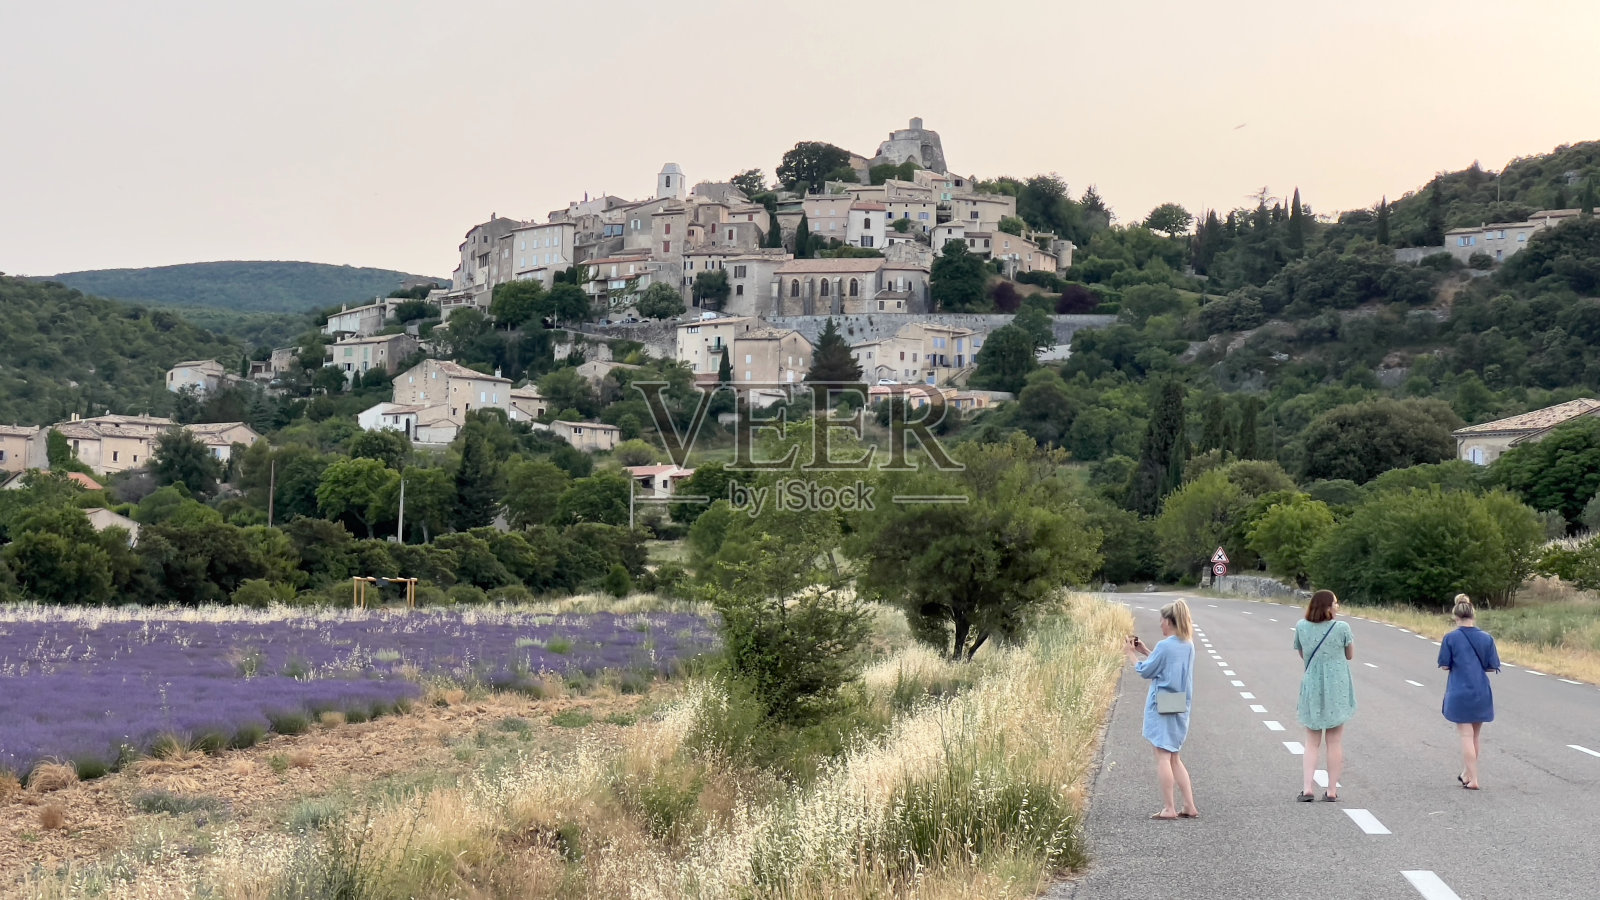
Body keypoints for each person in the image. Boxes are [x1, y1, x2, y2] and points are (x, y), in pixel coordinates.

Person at [1125, 599, 1199, 820]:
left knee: (1163, 756)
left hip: (1162, 702)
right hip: (1179, 702)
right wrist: (1146, 650)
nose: (1160, 624)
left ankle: (1169, 807)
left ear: (1168, 621)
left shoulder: (1165, 645)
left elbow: (1146, 671)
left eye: (1162, 620)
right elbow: (1165, 665)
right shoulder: (1187, 643)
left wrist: (1130, 653)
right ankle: (1189, 805)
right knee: (1174, 756)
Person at [1294, 589, 1355, 802]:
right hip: (1336, 686)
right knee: (1334, 741)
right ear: (1327, 607)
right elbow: (1350, 655)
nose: (1337, 606)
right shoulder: (1342, 628)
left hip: (1312, 684)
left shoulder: (1301, 626)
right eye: (1335, 603)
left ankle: (1307, 787)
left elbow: (1303, 654)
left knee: (1311, 741)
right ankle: (1331, 790)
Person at [1439, 594, 1500, 790]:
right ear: (1473, 615)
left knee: (1465, 736)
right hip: (1481, 690)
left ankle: (1473, 779)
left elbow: (1445, 666)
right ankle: (1467, 774)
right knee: (1475, 736)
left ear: (1456, 616)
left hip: (1460, 690)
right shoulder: (1486, 638)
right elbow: (1492, 666)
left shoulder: (1450, 638)